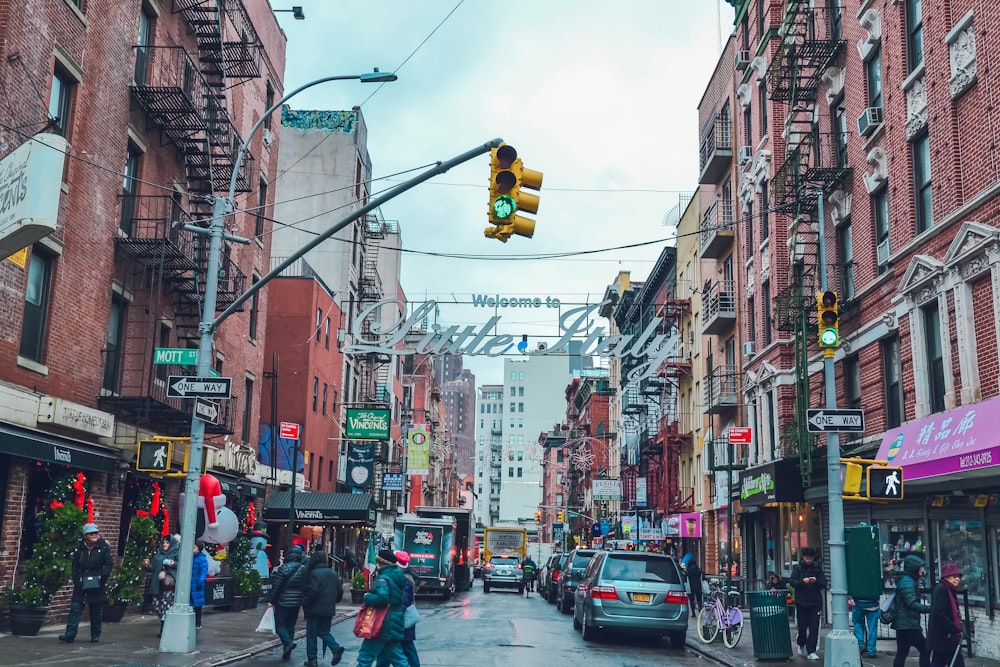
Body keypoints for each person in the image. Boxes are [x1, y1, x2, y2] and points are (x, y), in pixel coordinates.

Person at [59, 523, 114, 643]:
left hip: (96, 582)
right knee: (75, 608)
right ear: (85, 535)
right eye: (91, 533)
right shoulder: (80, 548)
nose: (94, 535)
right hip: (82, 581)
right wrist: (76, 579)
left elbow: (109, 564)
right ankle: (70, 634)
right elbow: (74, 565)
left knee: (96, 610)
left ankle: (95, 635)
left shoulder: (103, 547)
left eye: (95, 533)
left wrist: (102, 578)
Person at [357, 549, 410, 667]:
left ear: (381, 563)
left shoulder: (383, 579)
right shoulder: (397, 577)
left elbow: (382, 598)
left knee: (365, 655)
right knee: (398, 658)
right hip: (394, 621)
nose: (376, 565)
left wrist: (367, 597)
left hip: (380, 624)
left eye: (377, 562)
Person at [302, 549, 345, 667]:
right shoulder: (333, 573)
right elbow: (339, 592)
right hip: (329, 609)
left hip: (314, 609)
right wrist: (332, 602)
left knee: (311, 634)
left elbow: (313, 591)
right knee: (324, 632)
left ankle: (312, 659)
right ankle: (335, 648)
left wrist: (305, 602)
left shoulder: (314, 573)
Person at [377, 551, 420, 667]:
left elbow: (403, 601)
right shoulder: (405, 576)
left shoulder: (402, 579)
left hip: (399, 621)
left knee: (403, 650)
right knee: (396, 650)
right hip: (400, 622)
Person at [268, 545, 308, 661]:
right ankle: (287, 651)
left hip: (283, 601)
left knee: (279, 624)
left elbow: (277, 586)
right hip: (296, 602)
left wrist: (271, 600)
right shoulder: (303, 569)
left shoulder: (284, 568)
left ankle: (288, 643)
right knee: (290, 626)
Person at [894, 553, 931, 667]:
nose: (922, 571)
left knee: (902, 652)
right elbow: (911, 603)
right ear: (914, 568)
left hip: (903, 624)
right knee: (925, 649)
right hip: (909, 624)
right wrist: (928, 609)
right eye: (920, 568)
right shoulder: (908, 583)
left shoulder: (907, 581)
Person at [790, 546, 827, 660]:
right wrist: (802, 582)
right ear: (803, 557)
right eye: (807, 558)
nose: (809, 560)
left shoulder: (817, 568)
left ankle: (811, 650)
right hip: (801, 602)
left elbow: (824, 582)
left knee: (814, 627)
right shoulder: (797, 568)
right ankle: (801, 643)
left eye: (810, 558)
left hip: (815, 602)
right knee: (801, 626)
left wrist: (816, 581)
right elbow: (792, 582)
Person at [928, 562, 964, 667]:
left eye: (958, 576)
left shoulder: (949, 590)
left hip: (943, 639)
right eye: (954, 576)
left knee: (938, 662)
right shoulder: (942, 590)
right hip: (944, 638)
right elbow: (940, 613)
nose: (957, 579)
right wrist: (954, 629)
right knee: (957, 663)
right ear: (946, 577)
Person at [146, 534, 179, 638]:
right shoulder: (159, 554)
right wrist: (147, 566)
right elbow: (153, 568)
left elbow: (181, 564)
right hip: (157, 583)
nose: (165, 544)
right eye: (164, 542)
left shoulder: (175, 553)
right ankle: (164, 624)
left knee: (165, 606)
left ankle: (164, 628)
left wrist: (172, 563)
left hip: (168, 584)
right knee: (157, 605)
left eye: (167, 543)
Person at [852, 592, 881, 658]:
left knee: (858, 623)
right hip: (873, 602)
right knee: (872, 628)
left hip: (858, 601)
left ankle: (860, 644)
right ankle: (871, 650)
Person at [191, 540, 209, 630]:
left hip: (197, 584)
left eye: (194, 547)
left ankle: (198, 622)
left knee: (197, 605)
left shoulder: (202, 559)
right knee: (191, 603)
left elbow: (203, 571)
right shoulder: (190, 558)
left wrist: (201, 580)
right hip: (191, 584)